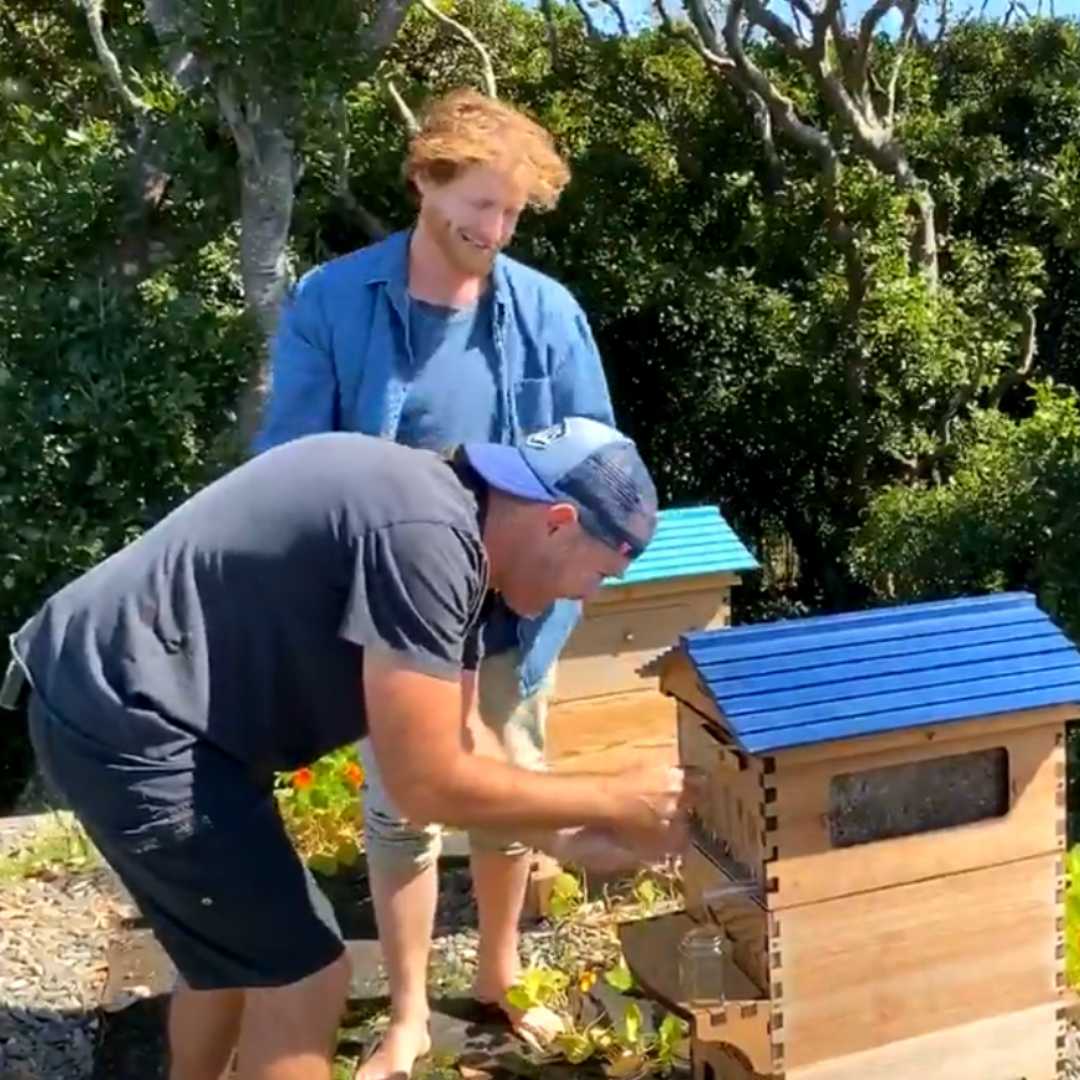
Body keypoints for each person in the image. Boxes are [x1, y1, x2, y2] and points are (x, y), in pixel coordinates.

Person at [10, 418, 697, 1080]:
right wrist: (614, 796)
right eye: (598, 574)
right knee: (304, 977)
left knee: (229, 957)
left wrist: (567, 832)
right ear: (558, 523)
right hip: (128, 714)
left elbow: (462, 735)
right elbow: (423, 782)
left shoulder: (453, 531)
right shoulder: (427, 539)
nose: (585, 596)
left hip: (139, 707)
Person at [254, 89, 616, 1074]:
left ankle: (500, 974)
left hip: (513, 605)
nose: (494, 231)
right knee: (401, 805)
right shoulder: (334, 301)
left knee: (510, 791)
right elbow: (292, 457)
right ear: (424, 179)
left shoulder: (548, 312)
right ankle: (410, 1013)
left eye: (512, 213)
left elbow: (594, 460)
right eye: (479, 205)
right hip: (392, 603)